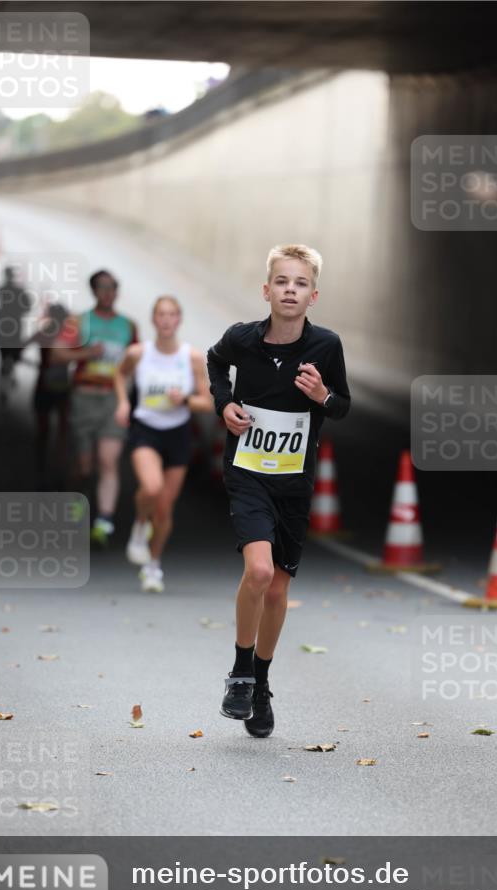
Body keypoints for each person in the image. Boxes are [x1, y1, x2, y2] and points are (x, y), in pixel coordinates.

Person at [206, 244, 350, 737]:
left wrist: (321, 396)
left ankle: (262, 683)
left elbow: (342, 405)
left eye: (301, 283)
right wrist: (224, 405)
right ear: (267, 290)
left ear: (313, 296)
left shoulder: (325, 347)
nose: (291, 290)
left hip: (294, 481)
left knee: (280, 588)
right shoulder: (242, 340)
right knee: (260, 571)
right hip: (247, 472)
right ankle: (241, 672)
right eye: (282, 282)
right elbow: (214, 362)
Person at [114, 296, 213, 592]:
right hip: (146, 430)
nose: (167, 320)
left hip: (178, 433)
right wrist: (122, 403)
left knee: (165, 510)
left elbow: (207, 402)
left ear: (179, 320)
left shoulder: (191, 357)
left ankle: (153, 566)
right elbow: (119, 375)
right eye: (161, 315)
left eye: (172, 315)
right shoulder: (138, 353)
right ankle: (139, 526)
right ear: (153, 319)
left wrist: (183, 399)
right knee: (152, 488)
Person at [51, 270, 138, 545]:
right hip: (84, 397)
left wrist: (131, 391)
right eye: (102, 288)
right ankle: (76, 501)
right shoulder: (79, 321)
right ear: (94, 291)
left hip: (113, 398)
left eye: (113, 287)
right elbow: (56, 353)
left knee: (108, 461)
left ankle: (103, 522)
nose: (108, 292)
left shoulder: (129, 326)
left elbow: (138, 360)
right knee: (84, 466)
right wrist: (87, 353)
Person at [24, 302, 73, 488]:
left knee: (43, 431)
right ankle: (60, 469)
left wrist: (34, 364)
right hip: (62, 387)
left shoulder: (42, 333)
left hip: (43, 385)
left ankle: (41, 467)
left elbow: (19, 348)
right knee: (63, 431)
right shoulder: (69, 335)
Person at [0, 266, 32, 404]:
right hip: (13, 328)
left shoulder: (2, 289)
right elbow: (28, 307)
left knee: (6, 358)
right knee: (11, 356)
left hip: (5, 328)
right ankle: (6, 383)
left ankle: (5, 384)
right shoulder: (18, 290)